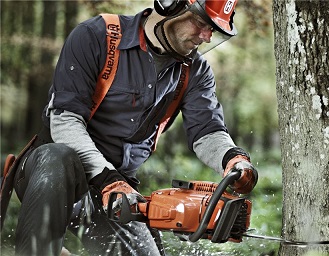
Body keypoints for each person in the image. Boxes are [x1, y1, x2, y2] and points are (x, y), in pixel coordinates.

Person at [12, 0, 258, 255]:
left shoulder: (195, 71)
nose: (206, 37)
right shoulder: (96, 36)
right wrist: (106, 178)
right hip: (54, 173)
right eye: (200, 23)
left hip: (121, 190)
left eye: (213, 29)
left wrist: (231, 159)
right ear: (170, 5)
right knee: (57, 157)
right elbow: (65, 120)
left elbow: (207, 130)